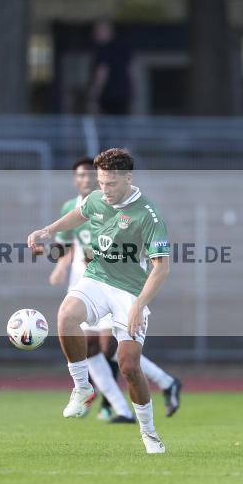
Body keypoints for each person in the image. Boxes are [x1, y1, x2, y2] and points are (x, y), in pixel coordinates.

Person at [28, 148, 170, 454]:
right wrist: (48, 230)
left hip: (131, 291)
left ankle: (149, 433)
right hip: (97, 278)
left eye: (111, 184)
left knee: (129, 365)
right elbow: (79, 214)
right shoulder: (96, 198)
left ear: (128, 178)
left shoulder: (147, 215)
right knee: (66, 315)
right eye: (101, 182)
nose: (104, 190)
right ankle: (82, 388)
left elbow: (162, 268)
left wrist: (138, 305)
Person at [50, 158, 183, 422]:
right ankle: (114, 405)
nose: (88, 181)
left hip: (117, 283)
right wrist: (61, 264)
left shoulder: (122, 206)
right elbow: (66, 246)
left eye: (94, 177)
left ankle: (158, 385)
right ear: (75, 180)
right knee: (88, 348)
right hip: (86, 283)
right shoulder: (75, 206)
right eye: (83, 177)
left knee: (113, 350)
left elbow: (145, 256)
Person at [88, 21, 134, 116]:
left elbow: (102, 72)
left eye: (98, 31)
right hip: (123, 95)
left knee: (108, 125)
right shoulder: (123, 47)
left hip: (108, 96)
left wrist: (94, 95)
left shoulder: (103, 49)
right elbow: (132, 70)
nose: (95, 34)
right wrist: (133, 89)